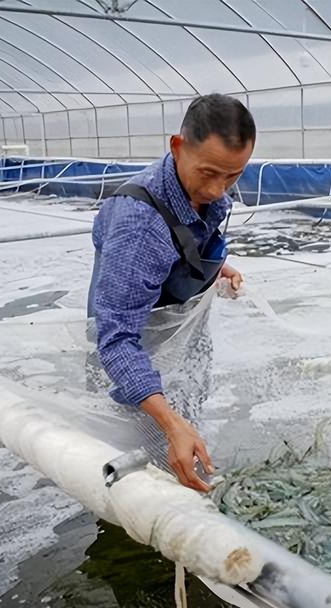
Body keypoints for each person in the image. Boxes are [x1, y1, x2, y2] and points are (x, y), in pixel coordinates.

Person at [87, 94, 256, 491]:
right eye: (209, 173)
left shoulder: (201, 188)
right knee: (140, 478)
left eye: (233, 176)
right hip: (136, 368)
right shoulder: (138, 225)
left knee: (186, 443)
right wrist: (169, 423)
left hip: (181, 347)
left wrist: (211, 269)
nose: (218, 190)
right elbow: (115, 341)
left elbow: (183, 243)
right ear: (177, 147)